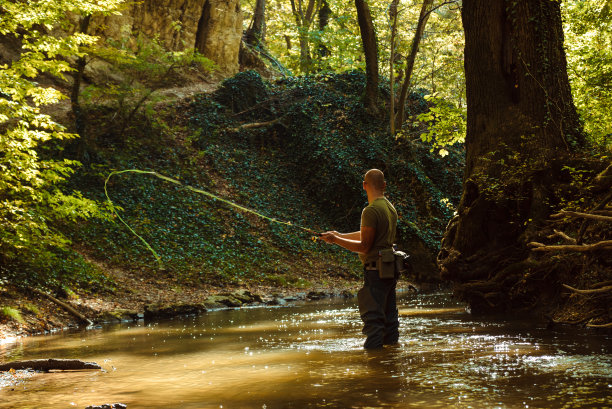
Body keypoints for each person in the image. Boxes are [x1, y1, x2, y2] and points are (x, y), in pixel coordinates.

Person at [320, 169, 399, 349]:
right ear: (384, 185)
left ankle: (374, 366)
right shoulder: (389, 207)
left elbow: (365, 245)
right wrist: (339, 235)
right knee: (390, 320)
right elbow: (369, 234)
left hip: (375, 271)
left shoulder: (370, 210)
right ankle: (391, 362)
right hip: (389, 269)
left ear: (364, 185)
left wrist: (335, 240)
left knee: (374, 322)